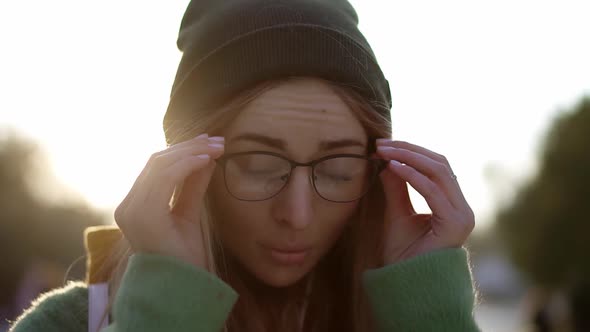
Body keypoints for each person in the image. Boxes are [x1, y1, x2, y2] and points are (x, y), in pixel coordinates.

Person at [10, 0, 479, 331]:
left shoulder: (414, 317)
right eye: (258, 164)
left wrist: (429, 314)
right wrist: (162, 314)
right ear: (189, 165)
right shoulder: (74, 323)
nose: (297, 214)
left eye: (337, 170)